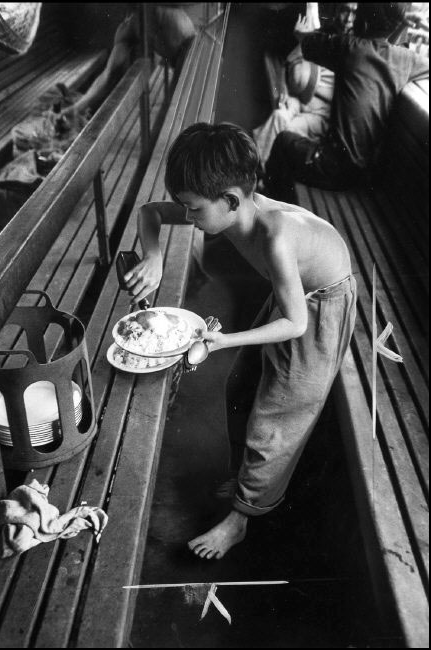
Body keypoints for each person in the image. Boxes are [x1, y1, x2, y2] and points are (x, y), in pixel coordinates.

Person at [124, 122, 357, 560]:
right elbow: (148, 213)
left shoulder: (275, 236)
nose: (188, 218)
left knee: (277, 416)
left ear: (230, 200)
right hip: (292, 294)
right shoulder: (226, 206)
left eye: (192, 210)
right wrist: (153, 257)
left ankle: (241, 520)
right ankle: (247, 483)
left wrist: (224, 340)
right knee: (241, 387)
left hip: (319, 307)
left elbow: (295, 324)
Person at [264, 2, 429, 201]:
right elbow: (383, 48)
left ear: (364, 23)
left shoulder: (350, 49)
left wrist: (300, 35)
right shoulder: (406, 59)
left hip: (334, 168)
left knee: (283, 141)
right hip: (365, 174)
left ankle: (268, 198)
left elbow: (307, 42)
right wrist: (401, 22)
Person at [253, 3, 357, 169]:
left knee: (288, 130)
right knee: (279, 116)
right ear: (337, 10)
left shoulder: (356, 47)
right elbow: (284, 64)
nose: (348, 19)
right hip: (299, 100)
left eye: (354, 13)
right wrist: (283, 91)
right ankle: (254, 167)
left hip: (322, 114)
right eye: (345, 10)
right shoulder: (323, 35)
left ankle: (263, 175)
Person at [62, 5, 196, 120]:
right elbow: (107, 76)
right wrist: (76, 109)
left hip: (192, 52)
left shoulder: (164, 12)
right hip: (180, 60)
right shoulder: (129, 28)